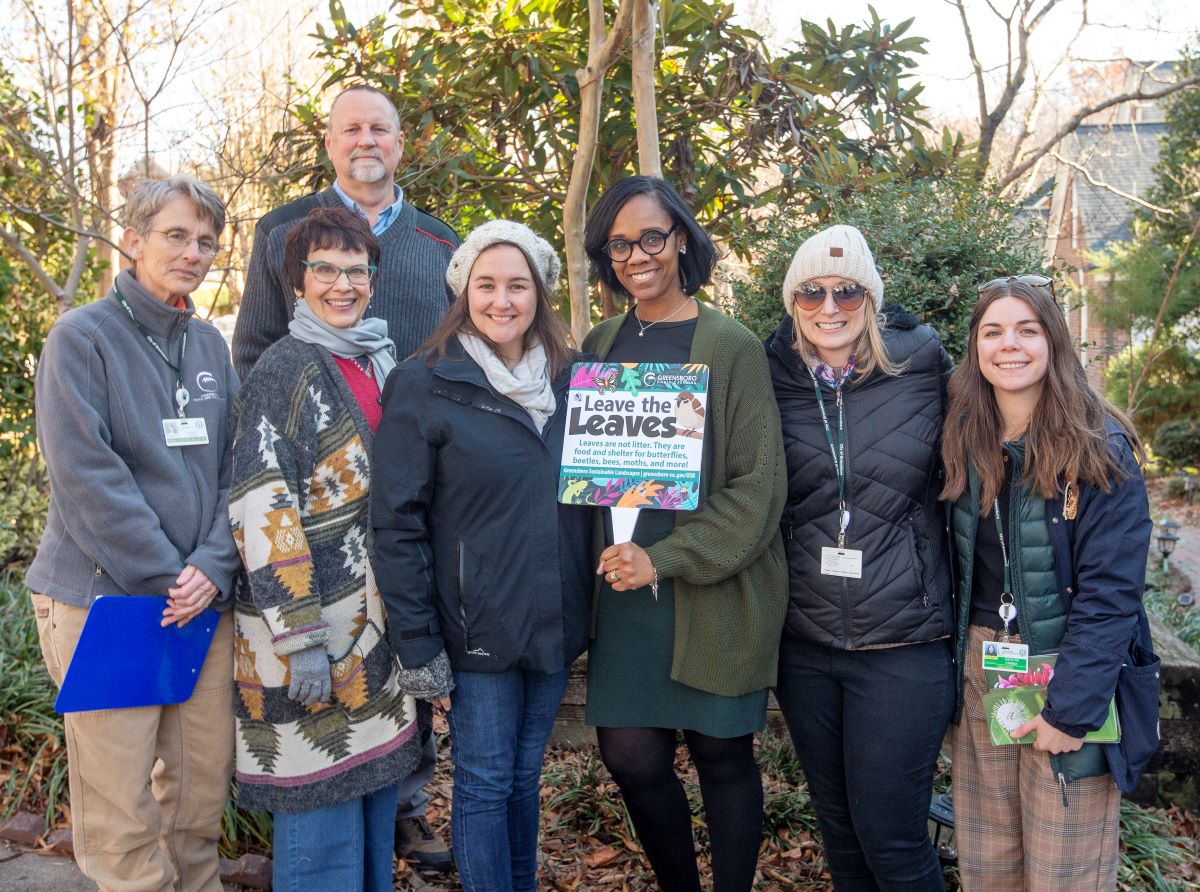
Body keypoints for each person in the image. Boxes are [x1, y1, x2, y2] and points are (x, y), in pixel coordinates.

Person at [231, 83, 455, 870]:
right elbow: (263, 500)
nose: (342, 284)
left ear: (400, 143)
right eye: (349, 127)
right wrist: (298, 635)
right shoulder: (284, 349)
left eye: (380, 127)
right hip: (312, 614)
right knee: (324, 807)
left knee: (367, 788)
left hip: (378, 587)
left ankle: (409, 819)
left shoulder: (433, 258)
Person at [26, 174, 239, 890]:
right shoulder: (81, 338)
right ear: (133, 238)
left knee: (198, 798)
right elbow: (88, 476)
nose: (193, 252)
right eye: (176, 235)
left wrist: (211, 567)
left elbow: (236, 470)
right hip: (105, 604)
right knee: (121, 811)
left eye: (206, 241)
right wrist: (166, 577)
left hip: (201, 603)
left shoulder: (209, 347)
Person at [371, 220, 592, 892]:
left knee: (525, 777)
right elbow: (396, 523)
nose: (502, 300)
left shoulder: (575, 380)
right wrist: (418, 643)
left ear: (540, 295)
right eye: (486, 285)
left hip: (553, 615)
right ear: (463, 292)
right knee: (487, 779)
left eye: (517, 286)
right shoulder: (424, 382)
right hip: (473, 626)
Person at [580, 176, 788, 891]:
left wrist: (663, 559)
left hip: (710, 590)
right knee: (632, 757)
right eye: (619, 243)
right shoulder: (599, 344)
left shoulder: (728, 346)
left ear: (681, 243)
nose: (636, 255)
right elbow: (586, 480)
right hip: (627, 601)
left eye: (651, 237)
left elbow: (758, 487)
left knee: (722, 757)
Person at [940, 275, 1153, 890]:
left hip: (1068, 678)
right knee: (989, 867)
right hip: (983, 673)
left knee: (1067, 872)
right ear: (975, 347)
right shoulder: (961, 436)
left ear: (1054, 341)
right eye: (993, 331)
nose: (1010, 346)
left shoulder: (1100, 448)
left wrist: (1073, 710)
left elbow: (1112, 596)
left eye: (1027, 330)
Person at [764, 224, 954, 890]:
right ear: (793, 301)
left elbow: (998, 434)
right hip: (806, 645)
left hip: (902, 643)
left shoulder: (923, 365)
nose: (830, 306)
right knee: (841, 839)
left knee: (893, 841)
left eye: (847, 290)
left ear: (870, 297)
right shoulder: (771, 377)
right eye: (811, 291)